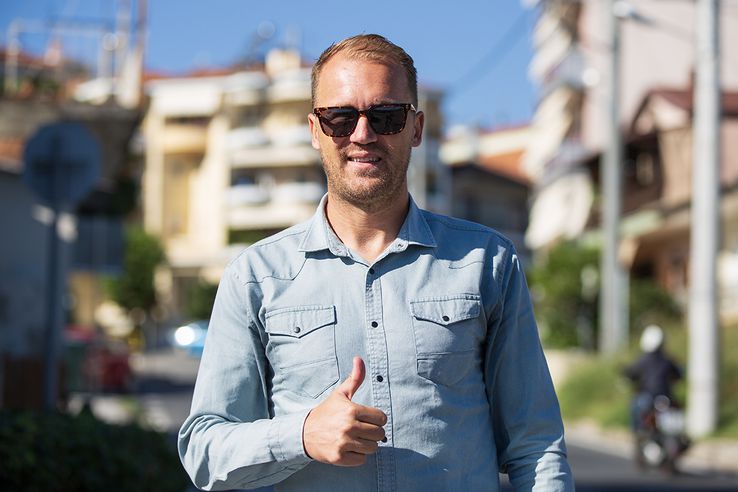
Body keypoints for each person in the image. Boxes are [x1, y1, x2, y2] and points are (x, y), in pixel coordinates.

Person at [178, 34, 574, 491]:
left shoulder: (487, 263)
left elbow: (535, 445)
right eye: (340, 117)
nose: (362, 134)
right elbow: (204, 451)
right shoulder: (257, 276)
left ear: (417, 128)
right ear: (314, 130)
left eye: (385, 116)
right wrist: (300, 435)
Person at [624, 324, 683, 434]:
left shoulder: (642, 360)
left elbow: (631, 373)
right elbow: (679, 375)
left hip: (648, 396)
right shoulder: (668, 360)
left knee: (635, 407)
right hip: (666, 397)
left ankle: (638, 433)